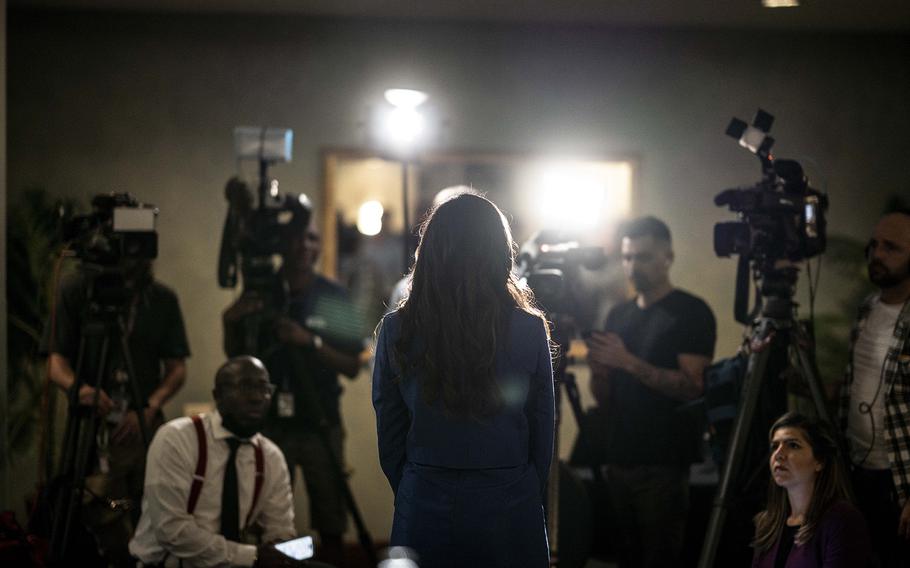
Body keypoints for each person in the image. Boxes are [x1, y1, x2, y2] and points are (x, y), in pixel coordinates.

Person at [372, 190, 555, 568]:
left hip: (424, 494)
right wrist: (522, 487)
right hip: (510, 496)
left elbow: (389, 430)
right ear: (500, 251)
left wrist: (413, 484)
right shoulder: (528, 329)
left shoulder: (397, 329)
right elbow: (542, 429)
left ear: (431, 250)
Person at [222, 212, 362, 566]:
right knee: (264, 519)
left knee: (330, 519)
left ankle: (320, 560)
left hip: (320, 421)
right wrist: (231, 320)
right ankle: (291, 560)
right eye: (298, 237)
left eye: (313, 238)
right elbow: (236, 357)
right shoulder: (262, 293)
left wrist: (309, 341)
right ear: (282, 243)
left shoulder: (333, 295)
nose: (305, 246)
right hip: (270, 424)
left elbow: (353, 365)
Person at [584, 215, 716, 568]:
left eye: (642, 257)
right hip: (619, 456)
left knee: (660, 558)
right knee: (623, 558)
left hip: (663, 462)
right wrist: (601, 373)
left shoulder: (690, 312)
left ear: (667, 257)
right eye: (627, 258)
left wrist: (627, 362)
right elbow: (604, 398)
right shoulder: (619, 315)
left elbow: (693, 387)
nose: (632, 267)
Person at [42, 258, 190, 566]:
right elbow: (55, 364)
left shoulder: (161, 298)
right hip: (92, 431)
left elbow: (177, 368)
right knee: (103, 508)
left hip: (144, 428)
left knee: (152, 507)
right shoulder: (76, 291)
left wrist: (149, 405)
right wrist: (81, 390)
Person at [129, 356, 310, 567]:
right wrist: (251, 556)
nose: (257, 397)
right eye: (245, 386)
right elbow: (172, 531)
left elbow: (280, 528)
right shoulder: (177, 438)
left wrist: (283, 550)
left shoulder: (270, 456)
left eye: (264, 388)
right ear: (218, 395)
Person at [839, 209, 910, 568]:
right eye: (875, 245)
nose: (877, 254)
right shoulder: (866, 309)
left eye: (892, 248)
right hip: (857, 468)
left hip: (900, 479)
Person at [752, 412, 870, 567]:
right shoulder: (767, 524)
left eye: (793, 445)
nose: (778, 454)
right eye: (775, 446)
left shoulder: (841, 520)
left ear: (819, 461)